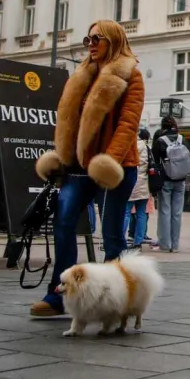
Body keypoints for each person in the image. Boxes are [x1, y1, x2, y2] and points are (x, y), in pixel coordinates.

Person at [30, 19, 144, 317]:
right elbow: (68, 123)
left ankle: (115, 300)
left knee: (111, 236)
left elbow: (128, 124)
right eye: (88, 40)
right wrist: (62, 155)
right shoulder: (81, 74)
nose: (91, 45)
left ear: (114, 40)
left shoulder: (131, 74)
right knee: (63, 223)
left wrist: (109, 161)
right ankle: (60, 297)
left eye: (97, 39)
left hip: (114, 167)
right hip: (77, 168)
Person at [152, 117, 190, 253]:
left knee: (165, 211)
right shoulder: (182, 139)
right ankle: (175, 245)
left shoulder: (160, 141)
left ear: (162, 127)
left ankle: (164, 244)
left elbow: (155, 162)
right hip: (180, 180)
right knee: (177, 213)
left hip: (165, 180)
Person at [123, 129, 152, 250]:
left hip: (131, 183)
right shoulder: (146, 147)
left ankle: (120, 239)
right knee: (141, 214)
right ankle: (138, 242)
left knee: (126, 213)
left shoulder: (130, 146)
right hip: (144, 184)